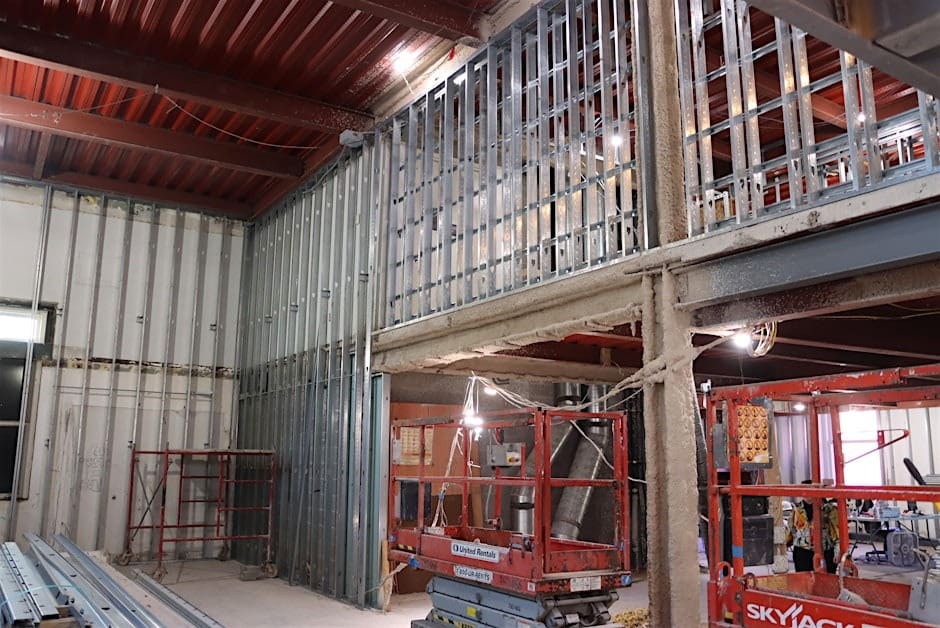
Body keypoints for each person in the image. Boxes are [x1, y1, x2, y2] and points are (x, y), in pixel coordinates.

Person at [787, 480, 839, 573]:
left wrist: (837, 551)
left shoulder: (829, 509)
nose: (805, 493)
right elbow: (792, 528)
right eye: (803, 490)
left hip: (825, 550)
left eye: (808, 489)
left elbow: (836, 530)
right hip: (802, 551)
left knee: (826, 580)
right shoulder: (797, 508)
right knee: (804, 581)